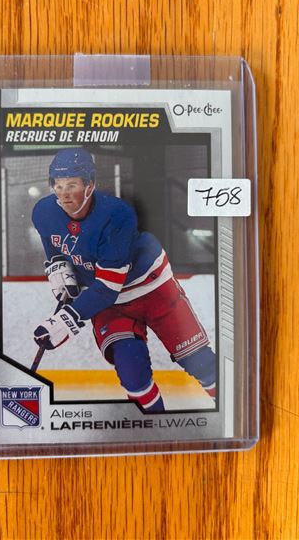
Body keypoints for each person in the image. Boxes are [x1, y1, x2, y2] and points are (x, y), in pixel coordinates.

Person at [31, 148, 216, 412]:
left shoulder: (117, 215)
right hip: (108, 303)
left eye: (72, 185)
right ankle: (153, 426)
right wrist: (58, 266)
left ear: (90, 185)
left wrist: (67, 320)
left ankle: (230, 411)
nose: (64, 194)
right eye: (58, 186)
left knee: (200, 362)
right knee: (132, 373)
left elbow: (108, 288)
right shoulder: (44, 211)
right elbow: (53, 243)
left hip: (151, 287)